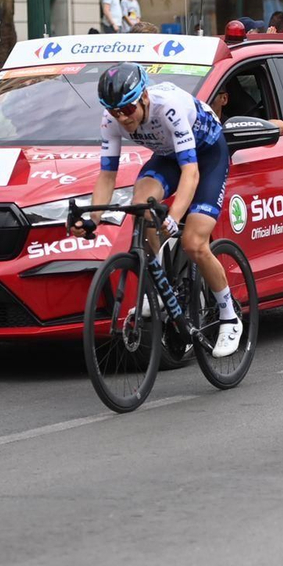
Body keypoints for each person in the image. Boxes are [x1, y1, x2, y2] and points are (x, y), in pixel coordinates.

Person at [76, 63, 241, 357]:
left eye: (127, 109)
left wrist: (175, 218)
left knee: (194, 243)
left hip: (207, 156)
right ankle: (165, 287)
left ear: (144, 98)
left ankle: (229, 315)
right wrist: (92, 219)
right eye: (115, 112)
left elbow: (190, 172)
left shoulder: (169, 108)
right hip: (167, 157)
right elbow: (107, 176)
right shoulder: (112, 117)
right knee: (142, 205)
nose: (122, 118)